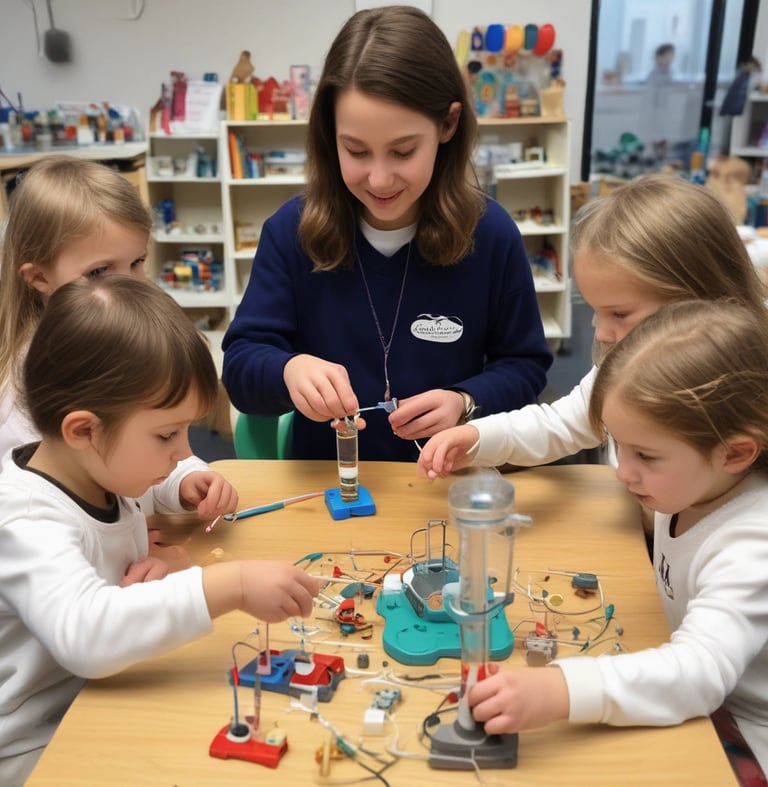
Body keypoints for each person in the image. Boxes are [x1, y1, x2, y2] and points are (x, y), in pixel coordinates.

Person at [0, 275, 322, 785]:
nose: (182, 448)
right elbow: (86, 634)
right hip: (36, 743)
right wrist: (229, 584)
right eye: (167, 434)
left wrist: (188, 479)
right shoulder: (26, 520)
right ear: (83, 430)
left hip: (104, 695)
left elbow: (152, 481)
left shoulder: (99, 467)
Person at [222, 5, 552, 462]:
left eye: (402, 151)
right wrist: (288, 369)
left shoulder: (491, 235)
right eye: (356, 150)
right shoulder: (290, 232)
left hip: (445, 485)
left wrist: (466, 401)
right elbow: (240, 368)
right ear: (329, 134)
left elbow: (525, 366)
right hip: (328, 487)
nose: (379, 180)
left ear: (448, 125)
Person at [468, 299, 768, 780]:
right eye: (617, 444)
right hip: (700, 703)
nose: (622, 472)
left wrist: (562, 690)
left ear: (735, 453)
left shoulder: (753, 544)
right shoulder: (696, 486)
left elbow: (699, 672)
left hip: (745, 734)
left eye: (646, 456)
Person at [417, 174, 768, 497]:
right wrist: (477, 437)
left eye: (619, 313)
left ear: (697, 297)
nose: (601, 333)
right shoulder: (628, 366)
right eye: (595, 310)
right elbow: (562, 424)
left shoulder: (742, 400)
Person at [0, 155, 237, 534]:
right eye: (98, 271)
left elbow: (151, 453)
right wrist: (123, 556)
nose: (130, 283)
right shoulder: (30, 390)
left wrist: (185, 479)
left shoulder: (130, 341)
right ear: (39, 276)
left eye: (137, 262)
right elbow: (41, 520)